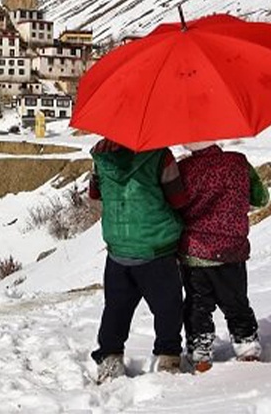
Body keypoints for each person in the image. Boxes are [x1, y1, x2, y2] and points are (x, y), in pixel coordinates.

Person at [88, 137, 189, 383]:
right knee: (167, 307)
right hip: (155, 247)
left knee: (116, 308)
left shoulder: (100, 155)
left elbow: (94, 193)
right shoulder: (160, 155)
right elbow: (178, 199)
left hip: (118, 246)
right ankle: (168, 358)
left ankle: (110, 359)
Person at [177, 141, 269, 372]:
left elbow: (174, 206)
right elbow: (261, 199)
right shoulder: (238, 162)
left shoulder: (183, 169)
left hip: (195, 252)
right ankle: (246, 344)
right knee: (236, 301)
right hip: (232, 251)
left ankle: (200, 350)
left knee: (197, 303)